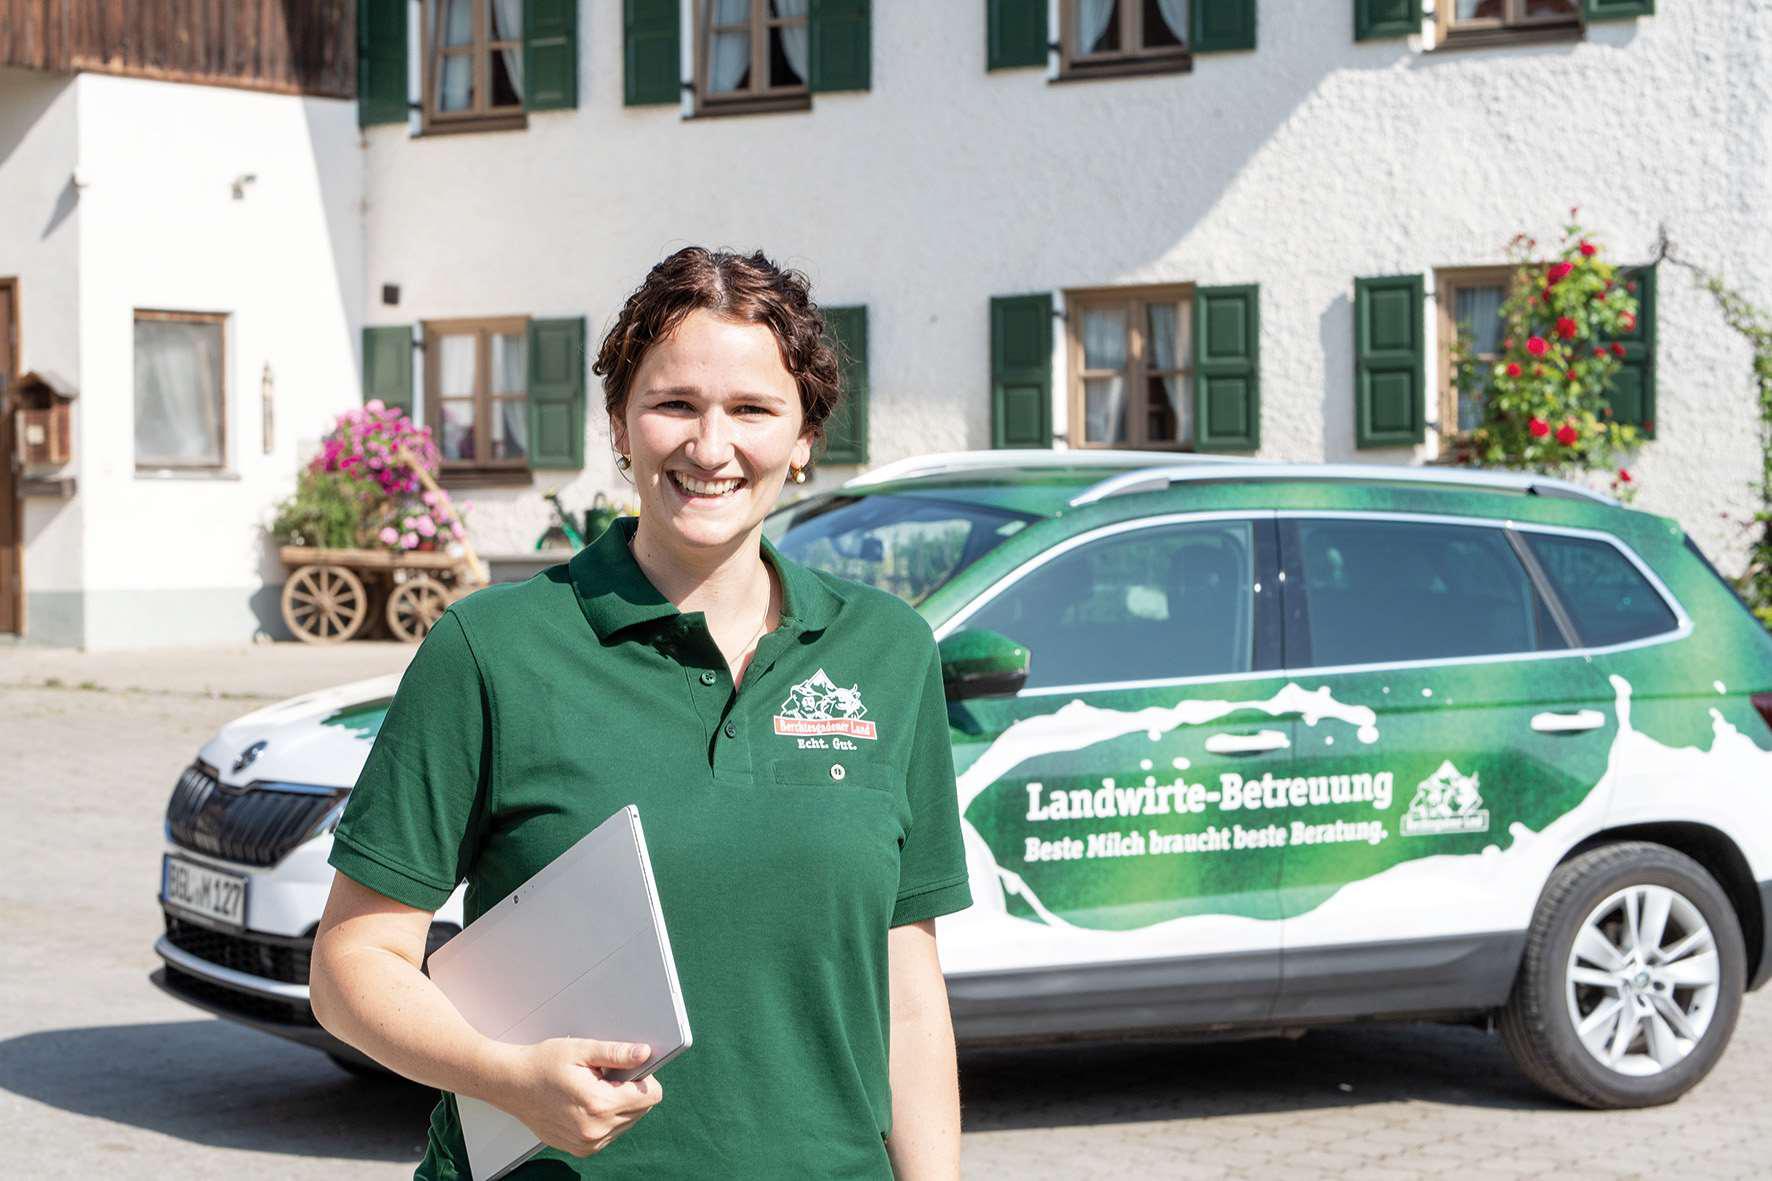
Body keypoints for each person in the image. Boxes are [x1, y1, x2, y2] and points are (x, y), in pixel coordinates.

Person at [309, 246, 973, 1179]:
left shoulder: (887, 651)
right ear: (621, 424)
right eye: (675, 404)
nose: (711, 446)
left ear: (805, 435)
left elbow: (907, 990)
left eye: (752, 409)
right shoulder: (492, 649)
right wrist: (507, 1078)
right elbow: (351, 967)